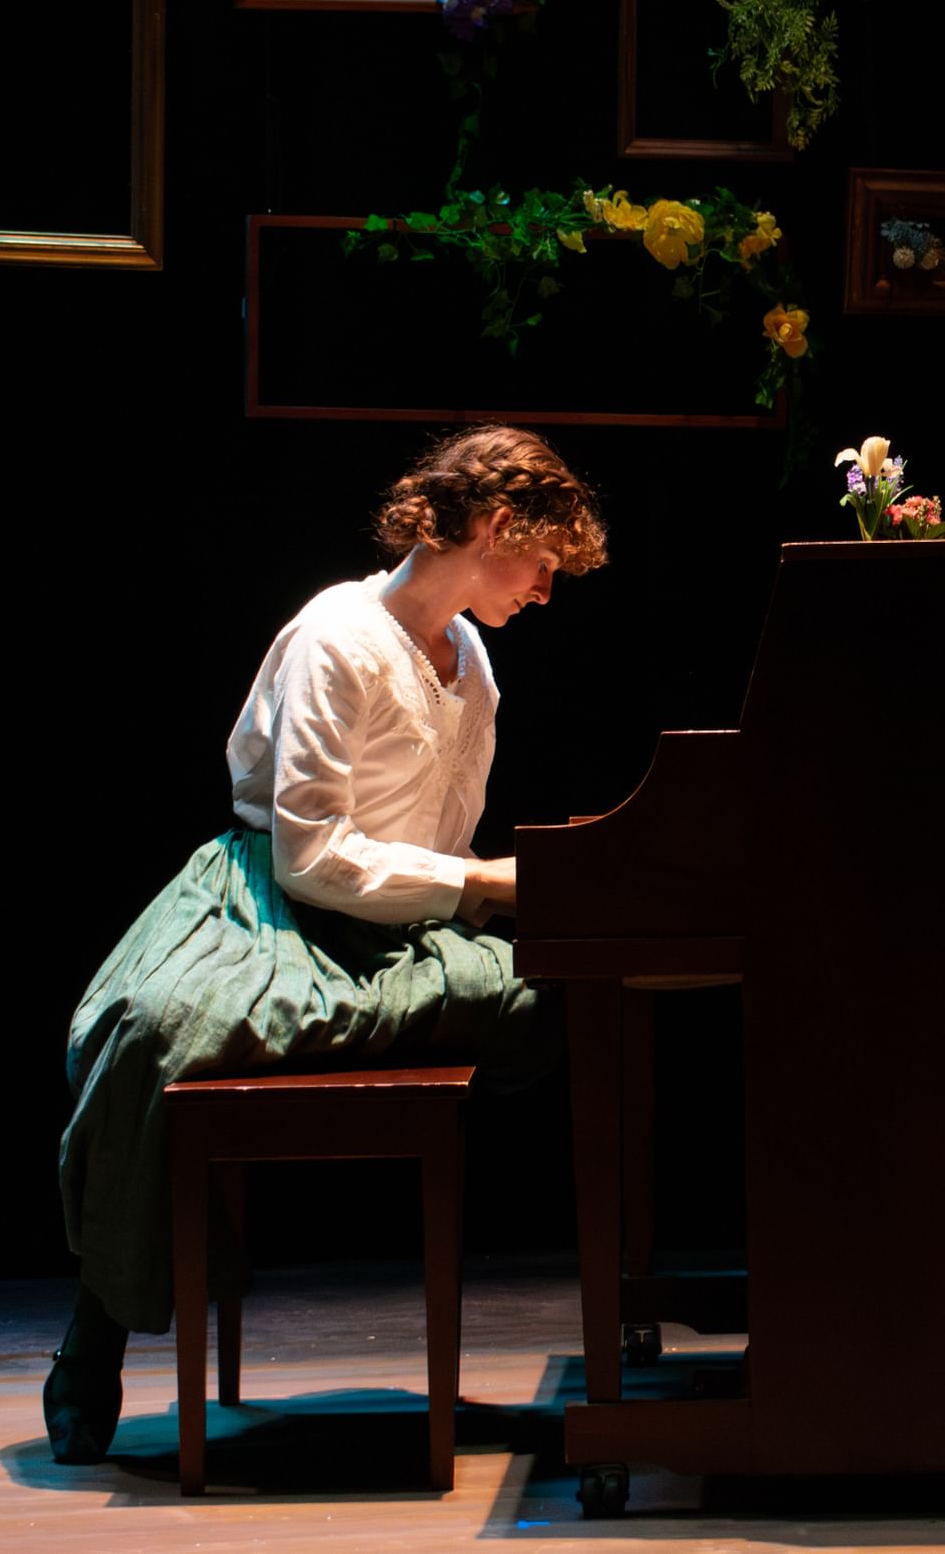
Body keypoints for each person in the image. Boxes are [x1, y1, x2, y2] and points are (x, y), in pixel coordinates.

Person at [43, 426, 607, 1463]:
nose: (544, 588)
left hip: (399, 923)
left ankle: (619, 1344)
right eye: (540, 562)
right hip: (276, 906)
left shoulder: (472, 659)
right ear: (494, 527)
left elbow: (435, 837)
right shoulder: (335, 636)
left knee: (560, 994)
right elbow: (310, 855)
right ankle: (102, 1318)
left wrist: (476, 889)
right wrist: (482, 884)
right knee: (159, 1030)